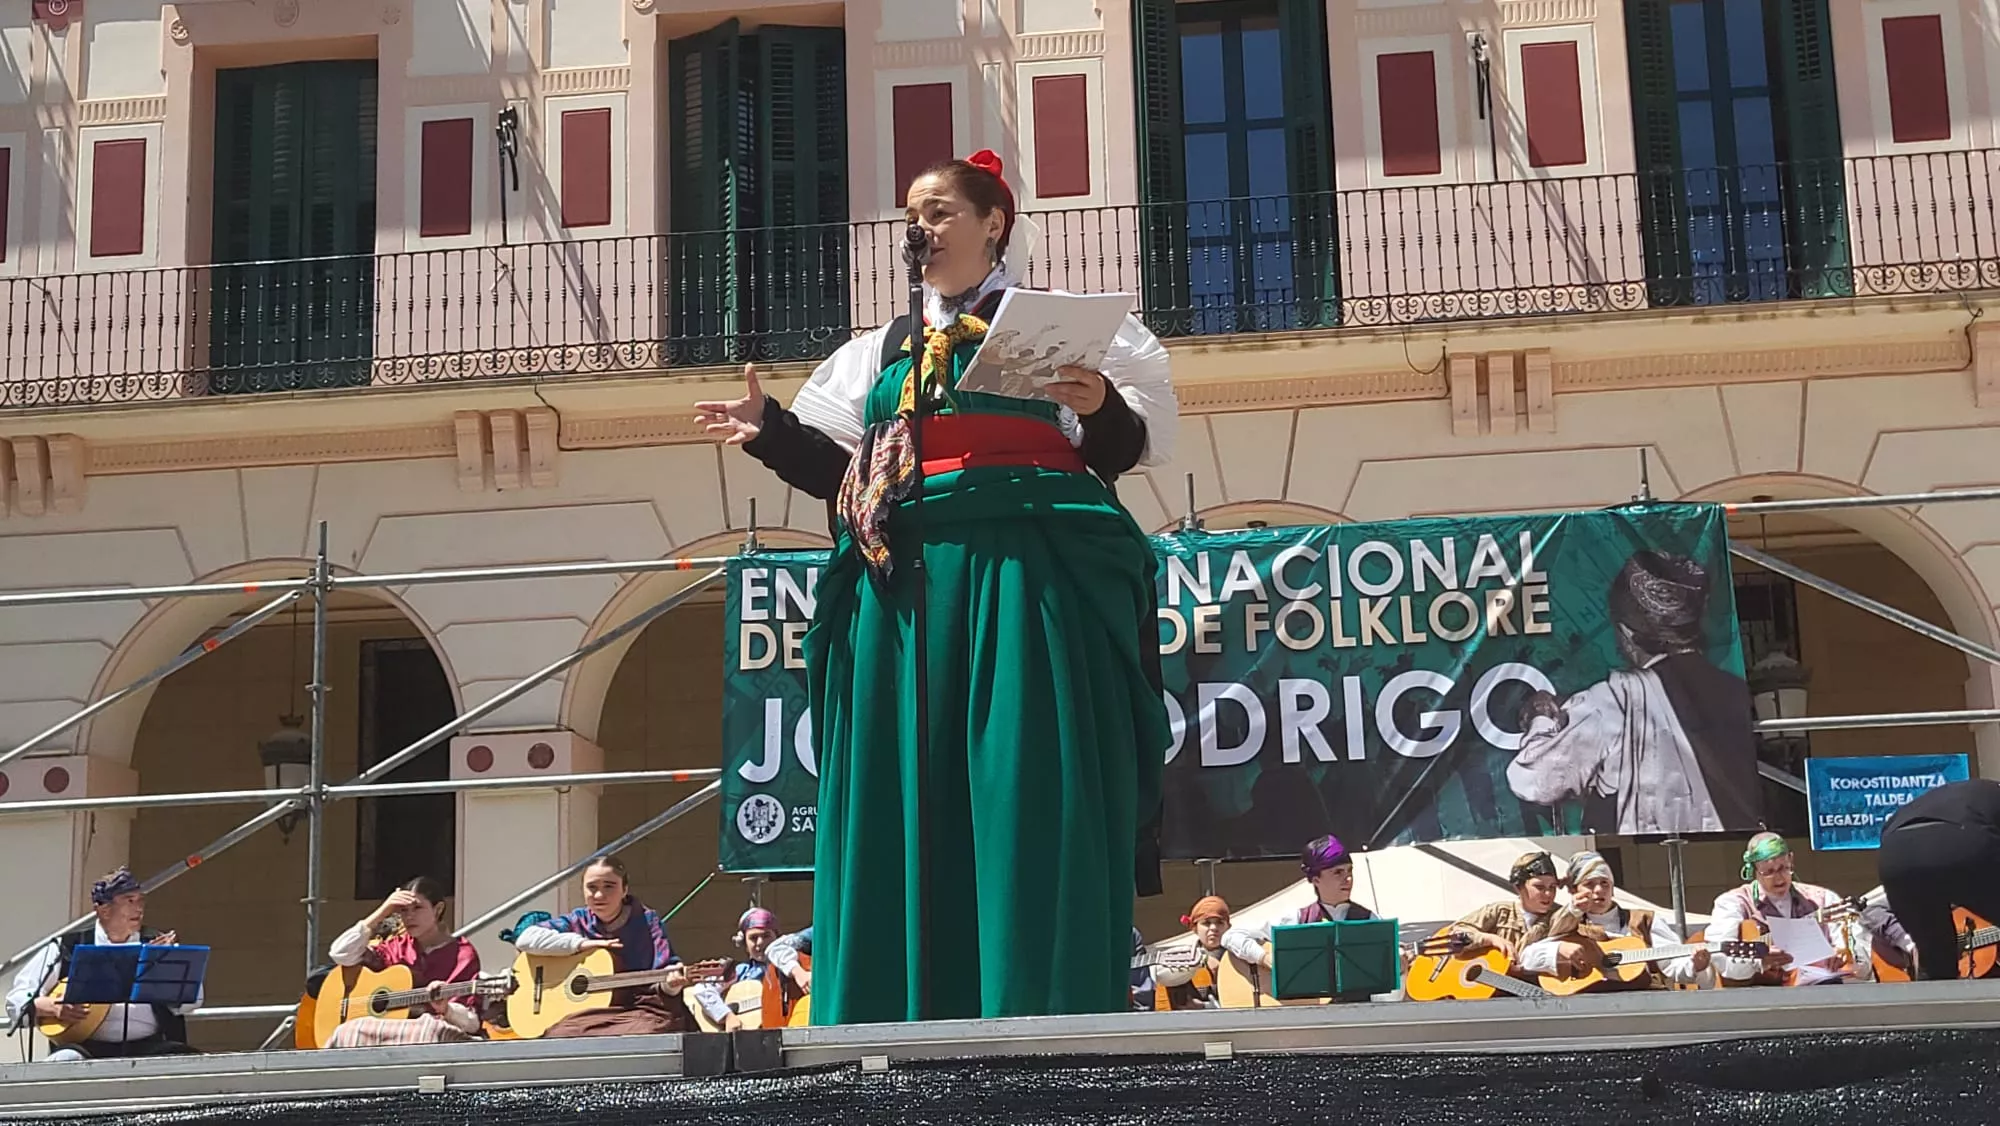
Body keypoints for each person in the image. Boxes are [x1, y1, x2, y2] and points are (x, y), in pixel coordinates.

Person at [695, 150, 1177, 1024]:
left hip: (1028, 578)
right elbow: (849, 477)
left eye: (943, 209)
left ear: (996, 222)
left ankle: (1041, 1006)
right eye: (914, 213)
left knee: (1025, 782)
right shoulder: (877, 349)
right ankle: (898, 1012)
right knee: (901, 791)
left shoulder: (1071, 330)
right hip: (907, 589)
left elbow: (1123, 454)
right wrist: (769, 432)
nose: (923, 226)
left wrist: (1100, 402)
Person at [1505, 551, 1761, 834]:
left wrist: (1541, 718)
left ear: (1626, 633)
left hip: (1649, 852)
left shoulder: (1616, 699)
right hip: (1730, 843)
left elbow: (1534, 781)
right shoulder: (1737, 689)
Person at [5, 867, 202, 1061]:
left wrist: (163, 966)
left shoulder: (157, 943)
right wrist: (53, 1007)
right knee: (62, 1061)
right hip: (85, 1048)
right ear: (104, 910)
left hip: (151, 1047)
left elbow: (193, 1000)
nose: (139, 907)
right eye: (129, 901)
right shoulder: (67, 947)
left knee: (190, 1063)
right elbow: (17, 1001)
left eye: (141, 900)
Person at [510, 855, 691, 1036]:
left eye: (609, 887)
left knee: (647, 1030)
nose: (599, 895)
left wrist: (671, 985)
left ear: (624, 889)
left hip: (639, 1011)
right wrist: (581, 944)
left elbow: (664, 972)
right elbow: (525, 938)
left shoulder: (646, 921)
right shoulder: (578, 921)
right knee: (561, 1031)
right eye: (592, 887)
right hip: (590, 1016)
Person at [1708, 832, 1914, 985]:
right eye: (1769, 872)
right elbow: (1723, 960)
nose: (1779, 877)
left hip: (1821, 991)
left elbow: (1861, 962)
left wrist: (1844, 956)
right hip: (1763, 1000)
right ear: (1753, 871)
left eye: (1784, 868)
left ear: (1791, 860)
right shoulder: (1733, 903)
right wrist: (1758, 960)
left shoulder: (1823, 899)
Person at [323, 877, 485, 1047]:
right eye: (403, 911)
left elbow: (472, 1023)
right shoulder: (396, 947)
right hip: (390, 1031)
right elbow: (340, 953)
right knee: (347, 1031)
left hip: (432, 1034)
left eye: (417, 908)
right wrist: (382, 912)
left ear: (438, 909)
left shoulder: (462, 953)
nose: (409, 916)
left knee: (431, 1030)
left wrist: (446, 1009)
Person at [1516, 851, 1704, 988]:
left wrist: (1695, 964)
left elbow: (1672, 963)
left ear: (1612, 888)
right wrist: (1559, 949)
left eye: (1604, 883)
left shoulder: (1644, 920)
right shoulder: (1568, 923)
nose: (1598, 890)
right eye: (1589, 884)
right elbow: (1526, 959)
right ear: (1574, 890)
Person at [1877, 778, 2000, 981]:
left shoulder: (1961, 793)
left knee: (1935, 956)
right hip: (1963, 841)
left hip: (1895, 854)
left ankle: (1937, 1008)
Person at [1220, 836, 1376, 972]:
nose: (1348, 879)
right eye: (1338, 872)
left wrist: (1400, 966)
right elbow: (1231, 936)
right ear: (1316, 880)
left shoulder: (1369, 920)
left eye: (1349, 871)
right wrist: (1264, 958)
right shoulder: (1297, 919)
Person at [686, 908, 797, 1031]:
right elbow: (701, 990)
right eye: (753, 938)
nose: (760, 942)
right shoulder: (738, 971)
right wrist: (726, 1016)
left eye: (766, 936)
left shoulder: (792, 966)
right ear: (744, 944)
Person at [1449, 851, 1564, 966]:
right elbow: (1455, 934)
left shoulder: (1561, 918)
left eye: (1552, 887)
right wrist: (1490, 939)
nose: (1548, 893)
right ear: (1519, 887)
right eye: (1539, 887)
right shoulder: (1501, 912)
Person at [1153, 896, 1233, 1010]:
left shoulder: (1238, 958)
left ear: (1228, 927)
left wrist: (1206, 1006)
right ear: (1194, 928)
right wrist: (1202, 959)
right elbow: (1157, 973)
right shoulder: (1180, 956)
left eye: (1220, 922)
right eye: (1206, 923)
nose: (1214, 928)